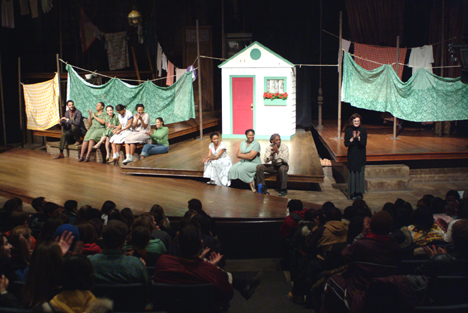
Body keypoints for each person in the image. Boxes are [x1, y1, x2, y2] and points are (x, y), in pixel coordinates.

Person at [87, 220, 151, 286]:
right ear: (123, 242)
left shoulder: (88, 263)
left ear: (102, 240)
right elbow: (148, 288)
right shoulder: (136, 265)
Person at [344, 113, 367, 200]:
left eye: (358, 121)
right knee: (352, 174)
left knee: (360, 174)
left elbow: (364, 143)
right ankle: (352, 192)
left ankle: (359, 192)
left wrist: (359, 138)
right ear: (352, 122)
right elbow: (346, 144)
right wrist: (353, 138)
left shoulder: (363, 130)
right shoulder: (348, 130)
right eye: (355, 121)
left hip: (360, 155)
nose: (356, 122)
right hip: (352, 155)